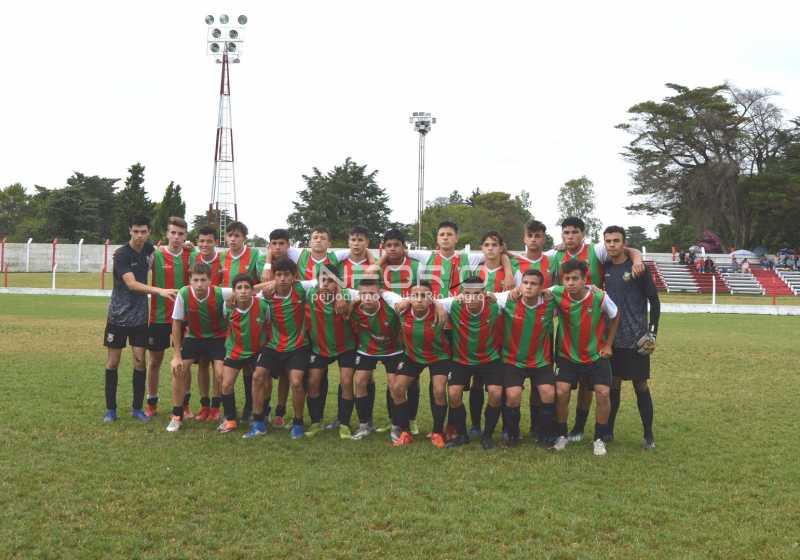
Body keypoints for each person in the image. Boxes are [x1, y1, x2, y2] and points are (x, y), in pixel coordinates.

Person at [550, 217, 643, 443]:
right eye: (566, 232)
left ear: (583, 234)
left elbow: (624, 248)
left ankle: (580, 428)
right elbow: (534, 262)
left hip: (594, 322)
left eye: (574, 232)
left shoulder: (596, 250)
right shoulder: (555, 256)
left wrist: (638, 259)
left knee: (588, 387)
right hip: (569, 330)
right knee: (562, 389)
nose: (570, 236)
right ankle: (559, 430)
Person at [103, 215, 176, 423]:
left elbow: (165, 251)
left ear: (149, 232)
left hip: (140, 319)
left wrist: (187, 245)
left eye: (143, 232)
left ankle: (137, 409)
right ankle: (111, 410)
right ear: (130, 231)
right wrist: (159, 291)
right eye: (136, 231)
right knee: (113, 362)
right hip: (118, 317)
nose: (139, 236)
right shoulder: (121, 255)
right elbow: (132, 284)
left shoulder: (149, 250)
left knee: (139, 361)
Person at [550, 260, 620, 456]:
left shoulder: (599, 296)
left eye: (575, 278)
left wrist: (608, 344)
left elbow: (615, 315)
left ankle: (599, 438)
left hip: (596, 355)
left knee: (603, 393)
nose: (570, 283)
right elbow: (535, 291)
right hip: (566, 355)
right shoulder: (556, 292)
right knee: (561, 392)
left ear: (584, 279)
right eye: (567, 279)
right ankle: (561, 435)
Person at [602, 226, 660, 449]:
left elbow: (654, 301)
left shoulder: (638, 268)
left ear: (624, 243)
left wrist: (652, 332)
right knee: (613, 384)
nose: (612, 244)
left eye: (616, 240)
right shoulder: (605, 268)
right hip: (612, 339)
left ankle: (648, 435)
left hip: (636, 338)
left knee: (640, 385)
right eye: (608, 241)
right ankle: (608, 431)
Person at [249, 257, 314, 439]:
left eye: (287, 275)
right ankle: (258, 422)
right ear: (273, 276)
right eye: (278, 275)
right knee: (258, 376)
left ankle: (298, 423)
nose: (283, 279)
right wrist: (232, 300)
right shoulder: (265, 295)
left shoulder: (301, 288)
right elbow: (247, 293)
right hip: (273, 345)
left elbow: (326, 280)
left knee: (296, 382)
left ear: (294, 276)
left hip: (298, 345)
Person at [382, 282, 452, 448]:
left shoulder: (442, 308)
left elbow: (462, 297)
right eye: (415, 296)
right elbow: (382, 292)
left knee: (439, 390)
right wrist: (406, 300)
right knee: (397, 388)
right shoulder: (401, 308)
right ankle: (405, 431)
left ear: (431, 298)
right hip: (413, 356)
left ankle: (437, 432)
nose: (419, 299)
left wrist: (438, 304)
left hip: (439, 356)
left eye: (424, 296)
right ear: (409, 297)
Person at [438, 276, 504, 450]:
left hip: (490, 359)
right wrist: (439, 308)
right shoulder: (454, 304)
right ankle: (462, 435)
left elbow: (517, 294)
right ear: (461, 294)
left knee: (496, 394)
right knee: (453, 394)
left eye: (477, 294)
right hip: (461, 360)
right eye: (467, 293)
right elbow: (429, 300)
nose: (472, 298)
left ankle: (487, 436)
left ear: (484, 293)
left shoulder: (496, 304)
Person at [494, 269, 557, 447]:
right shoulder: (507, 300)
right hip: (513, 360)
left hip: (540, 360)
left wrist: (593, 288)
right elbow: (485, 296)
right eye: (525, 283)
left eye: (534, 284)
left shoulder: (550, 303)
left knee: (548, 393)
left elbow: (571, 289)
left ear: (542, 288)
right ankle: (512, 434)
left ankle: (544, 433)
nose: (528, 287)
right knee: (513, 395)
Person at [167, 263, 231, 432]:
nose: (199, 284)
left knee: (221, 373)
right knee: (178, 369)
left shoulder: (220, 293)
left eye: (203, 280)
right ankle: (177, 415)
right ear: (190, 280)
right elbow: (176, 323)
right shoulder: (184, 293)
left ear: (210, 280)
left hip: (217, 338)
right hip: (194, 337)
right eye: (196, 280)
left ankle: (221, 411)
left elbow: (248, 290)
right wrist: (176, 355)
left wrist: (272, 284)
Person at [509, 219, 555, 438]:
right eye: (530, 235)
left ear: (544, 239)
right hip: (515, 323)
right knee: (510, 391)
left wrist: (550, 291)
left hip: (542, 326)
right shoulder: (514, 262)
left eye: (538, 236)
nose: (534, 239)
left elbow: (565, 284)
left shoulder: (553, 260)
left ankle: (539, 428)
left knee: (542, 389)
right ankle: (510, 430)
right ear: (524, 238)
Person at [145, 216, 193, 418]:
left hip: (183, 319)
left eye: (180, 234)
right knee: (155, 361)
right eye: (173, 233)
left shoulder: (191, 255)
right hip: (158, 317)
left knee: (184, 363)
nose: (176, 237)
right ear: (167, 234)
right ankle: (151, 403)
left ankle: (185, 404)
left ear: (185, 236)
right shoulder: (155, 255)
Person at [303, 265, 357, 439]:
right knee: (313, 381)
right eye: (323, 280)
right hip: (320, 347)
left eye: (331, 281)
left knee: (346, 381)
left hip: (345, 347)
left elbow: (370, 295)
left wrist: (348, 301)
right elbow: (287, 285)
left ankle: (344, 423)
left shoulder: (347, 294)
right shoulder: (310, 293)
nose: (326, 284)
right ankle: (316, 421)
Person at [221, 221, 265, 424]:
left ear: (244, 238)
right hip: (231, 310)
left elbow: (264, 278)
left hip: (251, 310)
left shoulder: (255, 255)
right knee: (225, 379)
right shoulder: (222, 256)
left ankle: (251, 410)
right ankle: (229, 416)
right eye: (230, 235)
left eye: (237, 235)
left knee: (253, 374)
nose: (233, 239)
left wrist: (248, 292)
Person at [348, 278, 403, 441]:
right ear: (359, 295)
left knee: (394, 385)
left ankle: (396, 426)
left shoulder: (392, 308)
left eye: (372, 293)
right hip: (367, 350)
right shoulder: (354, 309)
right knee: (360, 381)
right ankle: (364, 425)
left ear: (379, 294)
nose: (367, 297)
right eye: (364, 294)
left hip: (393, 350)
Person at [217, 274, 270, 434]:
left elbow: (268, 326)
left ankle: (260, 414)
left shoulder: (263, 305)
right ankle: (230, 419)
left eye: (247, 287)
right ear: (234, 291)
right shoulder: (228, 306)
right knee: (226, 384)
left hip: (256, 351)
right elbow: (224, 325)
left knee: (262, 381)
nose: (243, 291)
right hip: (235, 350)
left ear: (253, 291)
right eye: (239, 288)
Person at [190, 225, 224, 421]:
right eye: (201, 241)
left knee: (217, 366)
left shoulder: (223, 259)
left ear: (215, 242)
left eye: (209, 241)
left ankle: (216, 406)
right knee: (202, 364)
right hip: (197, 321)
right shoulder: (192, 258)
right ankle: (204, 405)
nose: (204, 244)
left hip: (219, 323)